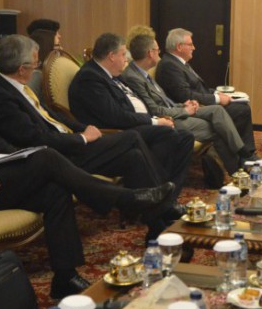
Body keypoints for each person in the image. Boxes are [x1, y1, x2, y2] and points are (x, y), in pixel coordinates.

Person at [0, 119, 175, 299]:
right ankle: (126, 199)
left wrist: (19, 158)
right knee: (47, 157)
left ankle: (65, 277)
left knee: (55, 190)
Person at [0, 35, 165, 193]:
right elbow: (35, 137)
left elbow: (53, 116)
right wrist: (82, 138)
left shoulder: (16, 84)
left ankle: (154, 211)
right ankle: (163, 196)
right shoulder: (0, 96)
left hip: (69, 141)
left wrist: (84, 128)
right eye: (35, 63)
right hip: (61, 154)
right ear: (21, 69)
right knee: (132, 137)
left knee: (134, 157)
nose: (36, 67)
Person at [67, 33, 194, 199]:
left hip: (134, 123)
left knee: (185, 137)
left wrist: (157, 118)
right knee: (166, 134)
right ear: (111, 56)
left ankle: (170, 194)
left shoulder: (112, 74)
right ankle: (161, 194)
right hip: (115, 131)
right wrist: (154, 121)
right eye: (122, 54)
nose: (126, 59)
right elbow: (115, 116)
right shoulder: (90, 78)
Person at [122, 32, 251, 175]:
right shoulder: (134, 77)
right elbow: (155, 110)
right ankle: (237, 168)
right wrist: (184, 111)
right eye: (157, 50)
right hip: (167, 119)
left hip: (175, 109)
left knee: (217, 111)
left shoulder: (143, 73)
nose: (159, 53)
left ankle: (241, 157)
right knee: (219, 128)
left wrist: (184, 106)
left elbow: (164, 100)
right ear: (150, 53)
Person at [155, 28, 257, 159]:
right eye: (190, 44)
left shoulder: (180, 63)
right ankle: (238, 155)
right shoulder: (169, 65)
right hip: (190, 107)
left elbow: (199, 88)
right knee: (241, 111)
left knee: (241, 107)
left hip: (201, 103)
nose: (194, 48)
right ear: (179, 47)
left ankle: (240, 154)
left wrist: (218, 93)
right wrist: (217, 99)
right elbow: (185, 95)